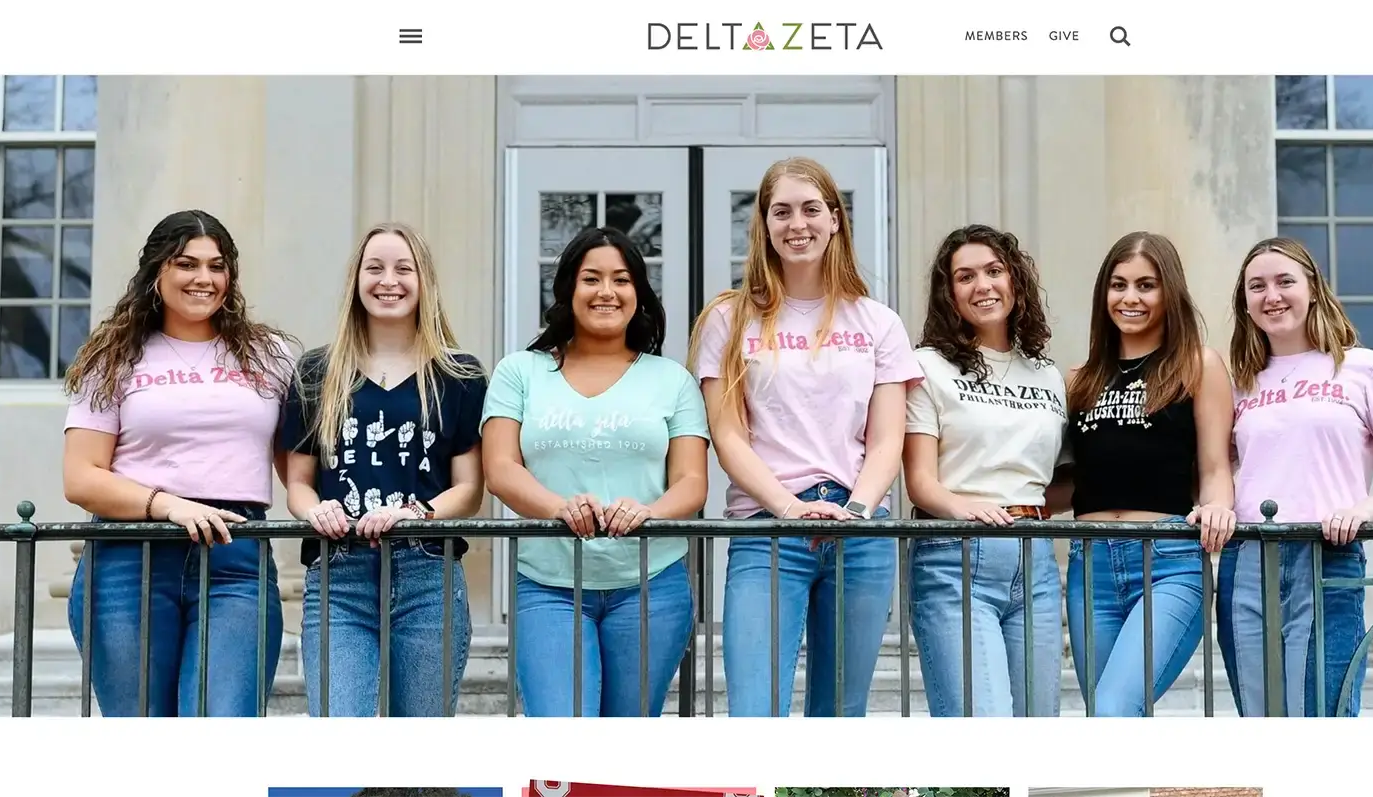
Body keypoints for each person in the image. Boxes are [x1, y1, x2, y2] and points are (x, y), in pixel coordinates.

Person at [689, 156, 923, 717]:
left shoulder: (878, 322)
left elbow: (888, 439)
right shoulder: (728, 319)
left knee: (840, 717)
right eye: (781, 211)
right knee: (755, 712)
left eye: (811, 209)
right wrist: (789, 507)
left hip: (860, 532)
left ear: (836, 219)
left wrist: (859, 510)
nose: (798, 224)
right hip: (767, 529)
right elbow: (727, 434)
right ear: (764, 226)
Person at [61, 209, 295, 716]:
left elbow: (297, 466)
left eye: (217, 266)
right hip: (129, 560)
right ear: (157, 272)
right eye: (186, 264)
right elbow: (80, 477)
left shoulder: (268, 354)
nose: (203, 279)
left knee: (221, 726)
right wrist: (169, 505)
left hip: (236, 558)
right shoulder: (113, 356)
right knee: (143, 738)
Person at [482, 226, 709, 717]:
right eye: (592, 278)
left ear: (638, 294)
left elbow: (692, 482)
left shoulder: (673, 379)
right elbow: (500, 468)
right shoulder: (519, 371)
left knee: (625, 748)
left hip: (651, 585)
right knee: (563, 737)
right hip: (548, 585)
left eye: (621, 279)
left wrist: (648, 511)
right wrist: (558, 507)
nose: (607, 292)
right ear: (568, 289)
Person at [1217, 236, 1373, 717]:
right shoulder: (1240, 380)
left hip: (1328, 556)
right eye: (1257, 286)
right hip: (1248, 561)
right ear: (1246, 303)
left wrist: (1362, 511)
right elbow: (1215, 470)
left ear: (1312, 288)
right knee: (1260, 721)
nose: (1271, 295)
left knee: (1325, 720)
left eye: (1284, 281)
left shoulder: (1362, 367)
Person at [281, 222, 488, 717]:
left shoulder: (459, 375)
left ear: (424, 282)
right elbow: (298, 484)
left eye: (403, 268)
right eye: (374, 268)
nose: (387, 280)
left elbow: (469, 489)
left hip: (427, 574)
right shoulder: (318, 372)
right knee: (340, 739)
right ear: (356, 280)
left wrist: (414, 512)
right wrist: (318, 511)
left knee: (419, 755)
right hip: (339, 574)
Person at [1063, 230, 1237, 717]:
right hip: (1090, 564)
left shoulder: (1197, 365)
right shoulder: (1080, 378)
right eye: (1118, 285)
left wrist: (1219, 506)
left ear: (1169, 292)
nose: (1130, 298)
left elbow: (1215, 466)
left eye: (1146, 285)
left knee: (1115, 707)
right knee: (1107, 717)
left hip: (1168, 562)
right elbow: (1074, 479)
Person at [901, 224, 1067, 717]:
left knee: (1037, 724)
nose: (983, 286)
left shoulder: (1047, 373)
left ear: (1015, 280)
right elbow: (920, 482)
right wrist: (969, 509)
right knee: (981, 725)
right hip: (955, 553)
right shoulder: (926, 367)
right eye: (965, 276)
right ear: (949, 293)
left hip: (1034, 557)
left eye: (994, 271)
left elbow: (1054, 479)